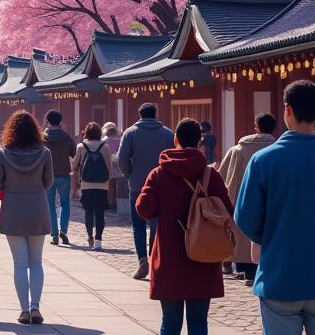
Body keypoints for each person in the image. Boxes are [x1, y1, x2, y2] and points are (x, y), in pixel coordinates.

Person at [135, 117, 233, 335]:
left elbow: (144, 210)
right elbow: (228, 210)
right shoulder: (211, 175)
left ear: (175, 139)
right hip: (204, 255)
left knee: (170, 323)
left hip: (169, 258)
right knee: (199, 323)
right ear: (200, 141)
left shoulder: (159, 173)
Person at [236, 79, 315, 335]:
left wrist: (272, 238)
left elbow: (246, 218)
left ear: (287, 110)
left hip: (280, 274)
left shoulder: (264, 160)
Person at [0, 110, 53, 326]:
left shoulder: (2, 152)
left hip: (13, 207)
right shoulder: (44, 152)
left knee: (19, 263)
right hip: (37, 205)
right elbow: (49, 181)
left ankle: (24, 310)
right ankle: (36, 307)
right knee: (36, 261)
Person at [216, 112, 276, 286]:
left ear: (256, 126)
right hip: (270, 202)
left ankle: (244, 268)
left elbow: (222, 177)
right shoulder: (278, 149)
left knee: (242, 231)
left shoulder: (237, 150)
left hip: (241, 202)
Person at [118, 102, 174, 280]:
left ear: (140, 114)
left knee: (138, 225)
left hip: (137, 185)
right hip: (162, 185)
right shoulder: (167, 133)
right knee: (157, 224)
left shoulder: (130, 133)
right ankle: (154, 258)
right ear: (155, 114)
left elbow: (122, 160)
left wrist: (130, 175)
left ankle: (143, 260)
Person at [71, 122, 113, 250]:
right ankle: (98, 241)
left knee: (88, 212)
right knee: (100, 213)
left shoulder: (81, 146)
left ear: (86, 133)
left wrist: (77, 182)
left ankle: (90, 237)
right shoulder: (105, 147)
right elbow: (109, 167)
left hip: (86, 185)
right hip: (102, 185)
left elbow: (74, 166)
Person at [42, 109, 76, 246]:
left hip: (47, 175)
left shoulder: (43, 138)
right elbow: (74, 154)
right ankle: (64, 231)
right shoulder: (67, 138)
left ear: (47, 122)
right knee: (65, 204)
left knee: (50, 205)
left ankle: (54, 234)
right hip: (63, 174)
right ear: (60, 122)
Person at [102, 122, 122, 212]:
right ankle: (114, 201)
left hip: (106, 164)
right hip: (117, 165)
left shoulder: (103, 142)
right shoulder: (119, 141)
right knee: (115, 184)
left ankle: (107, 200)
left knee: (107, 184)